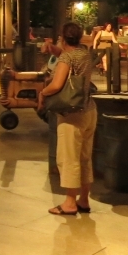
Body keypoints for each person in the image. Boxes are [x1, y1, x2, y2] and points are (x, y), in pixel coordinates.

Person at [38, 22, 97, 216]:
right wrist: (55, 50)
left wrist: (42, 94)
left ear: (63, 38)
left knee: (69, 158)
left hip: (72, 115)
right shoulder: (85, 54)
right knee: (85, 157)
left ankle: (70, 202)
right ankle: (84, 200)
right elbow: (66, 55)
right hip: (89, 111)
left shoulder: (66, 58)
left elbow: (56, 85)